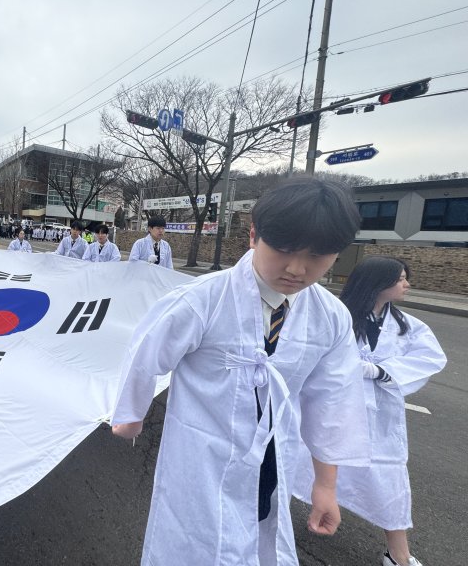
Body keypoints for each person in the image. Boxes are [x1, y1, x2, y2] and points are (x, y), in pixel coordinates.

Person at [111, 177, 371, 565]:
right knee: (192, 543)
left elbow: (332, 403)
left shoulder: (329, 318)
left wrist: (325, 485)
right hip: (202, 456)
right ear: (254, 235)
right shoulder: (203, 299)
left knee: (260, 538)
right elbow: (146, 352)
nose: (297, 269)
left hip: (271, 458)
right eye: (283, 249)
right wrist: (131, 415)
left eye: (317, 256)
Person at [294, 257, 446, 566]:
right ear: (377, 282)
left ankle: (398, 554)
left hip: (380, 418)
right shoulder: (336, 316)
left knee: (388, 478)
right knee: (302, 460)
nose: (407, 284)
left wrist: (381, 370)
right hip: (333, 407)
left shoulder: (407, 326)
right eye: (401, 278)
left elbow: (431, 357)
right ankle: (272, 525)